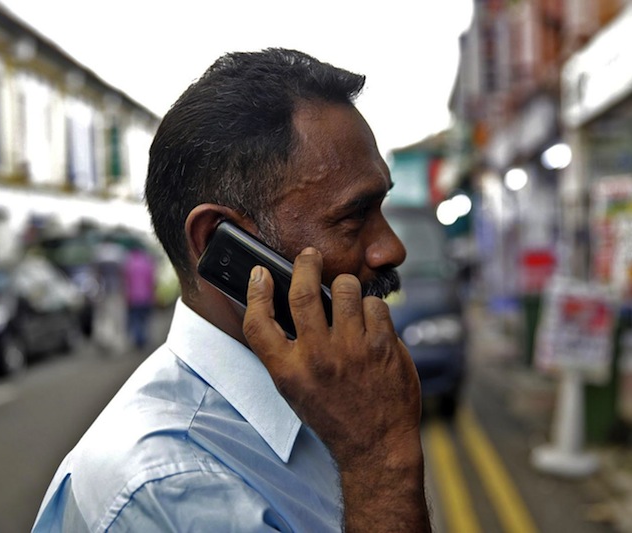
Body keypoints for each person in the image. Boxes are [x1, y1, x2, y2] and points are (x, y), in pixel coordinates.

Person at [33, 48, 430, 532]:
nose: (391, 249)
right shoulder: (169, 488)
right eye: (353, 217)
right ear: (218, 244)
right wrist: (378, 458)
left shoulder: (330, 394)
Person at [122, 245, 156, 349]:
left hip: (133, 296)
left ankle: (138, 339)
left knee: (135, 319)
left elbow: (126, 281)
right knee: (144, 319)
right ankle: (143, 338)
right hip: (146, 295)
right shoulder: (147, 263)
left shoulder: (129, 264)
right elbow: (151, 280)